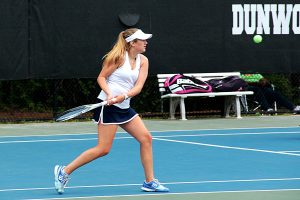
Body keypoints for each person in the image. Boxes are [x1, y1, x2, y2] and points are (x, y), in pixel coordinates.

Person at [54, 28, 169, 194]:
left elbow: (138, 87)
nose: (146, 42)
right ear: (132, 43)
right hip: (107, 107)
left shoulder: (143, 60)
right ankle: (64, 171)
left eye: (145, 40)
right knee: (103, 149)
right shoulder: (116, 58)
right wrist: (109, 93)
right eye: (142, 40)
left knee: (146, 138)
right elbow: (101, 77)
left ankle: (149, 182)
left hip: (124, 106)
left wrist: (123, 96)